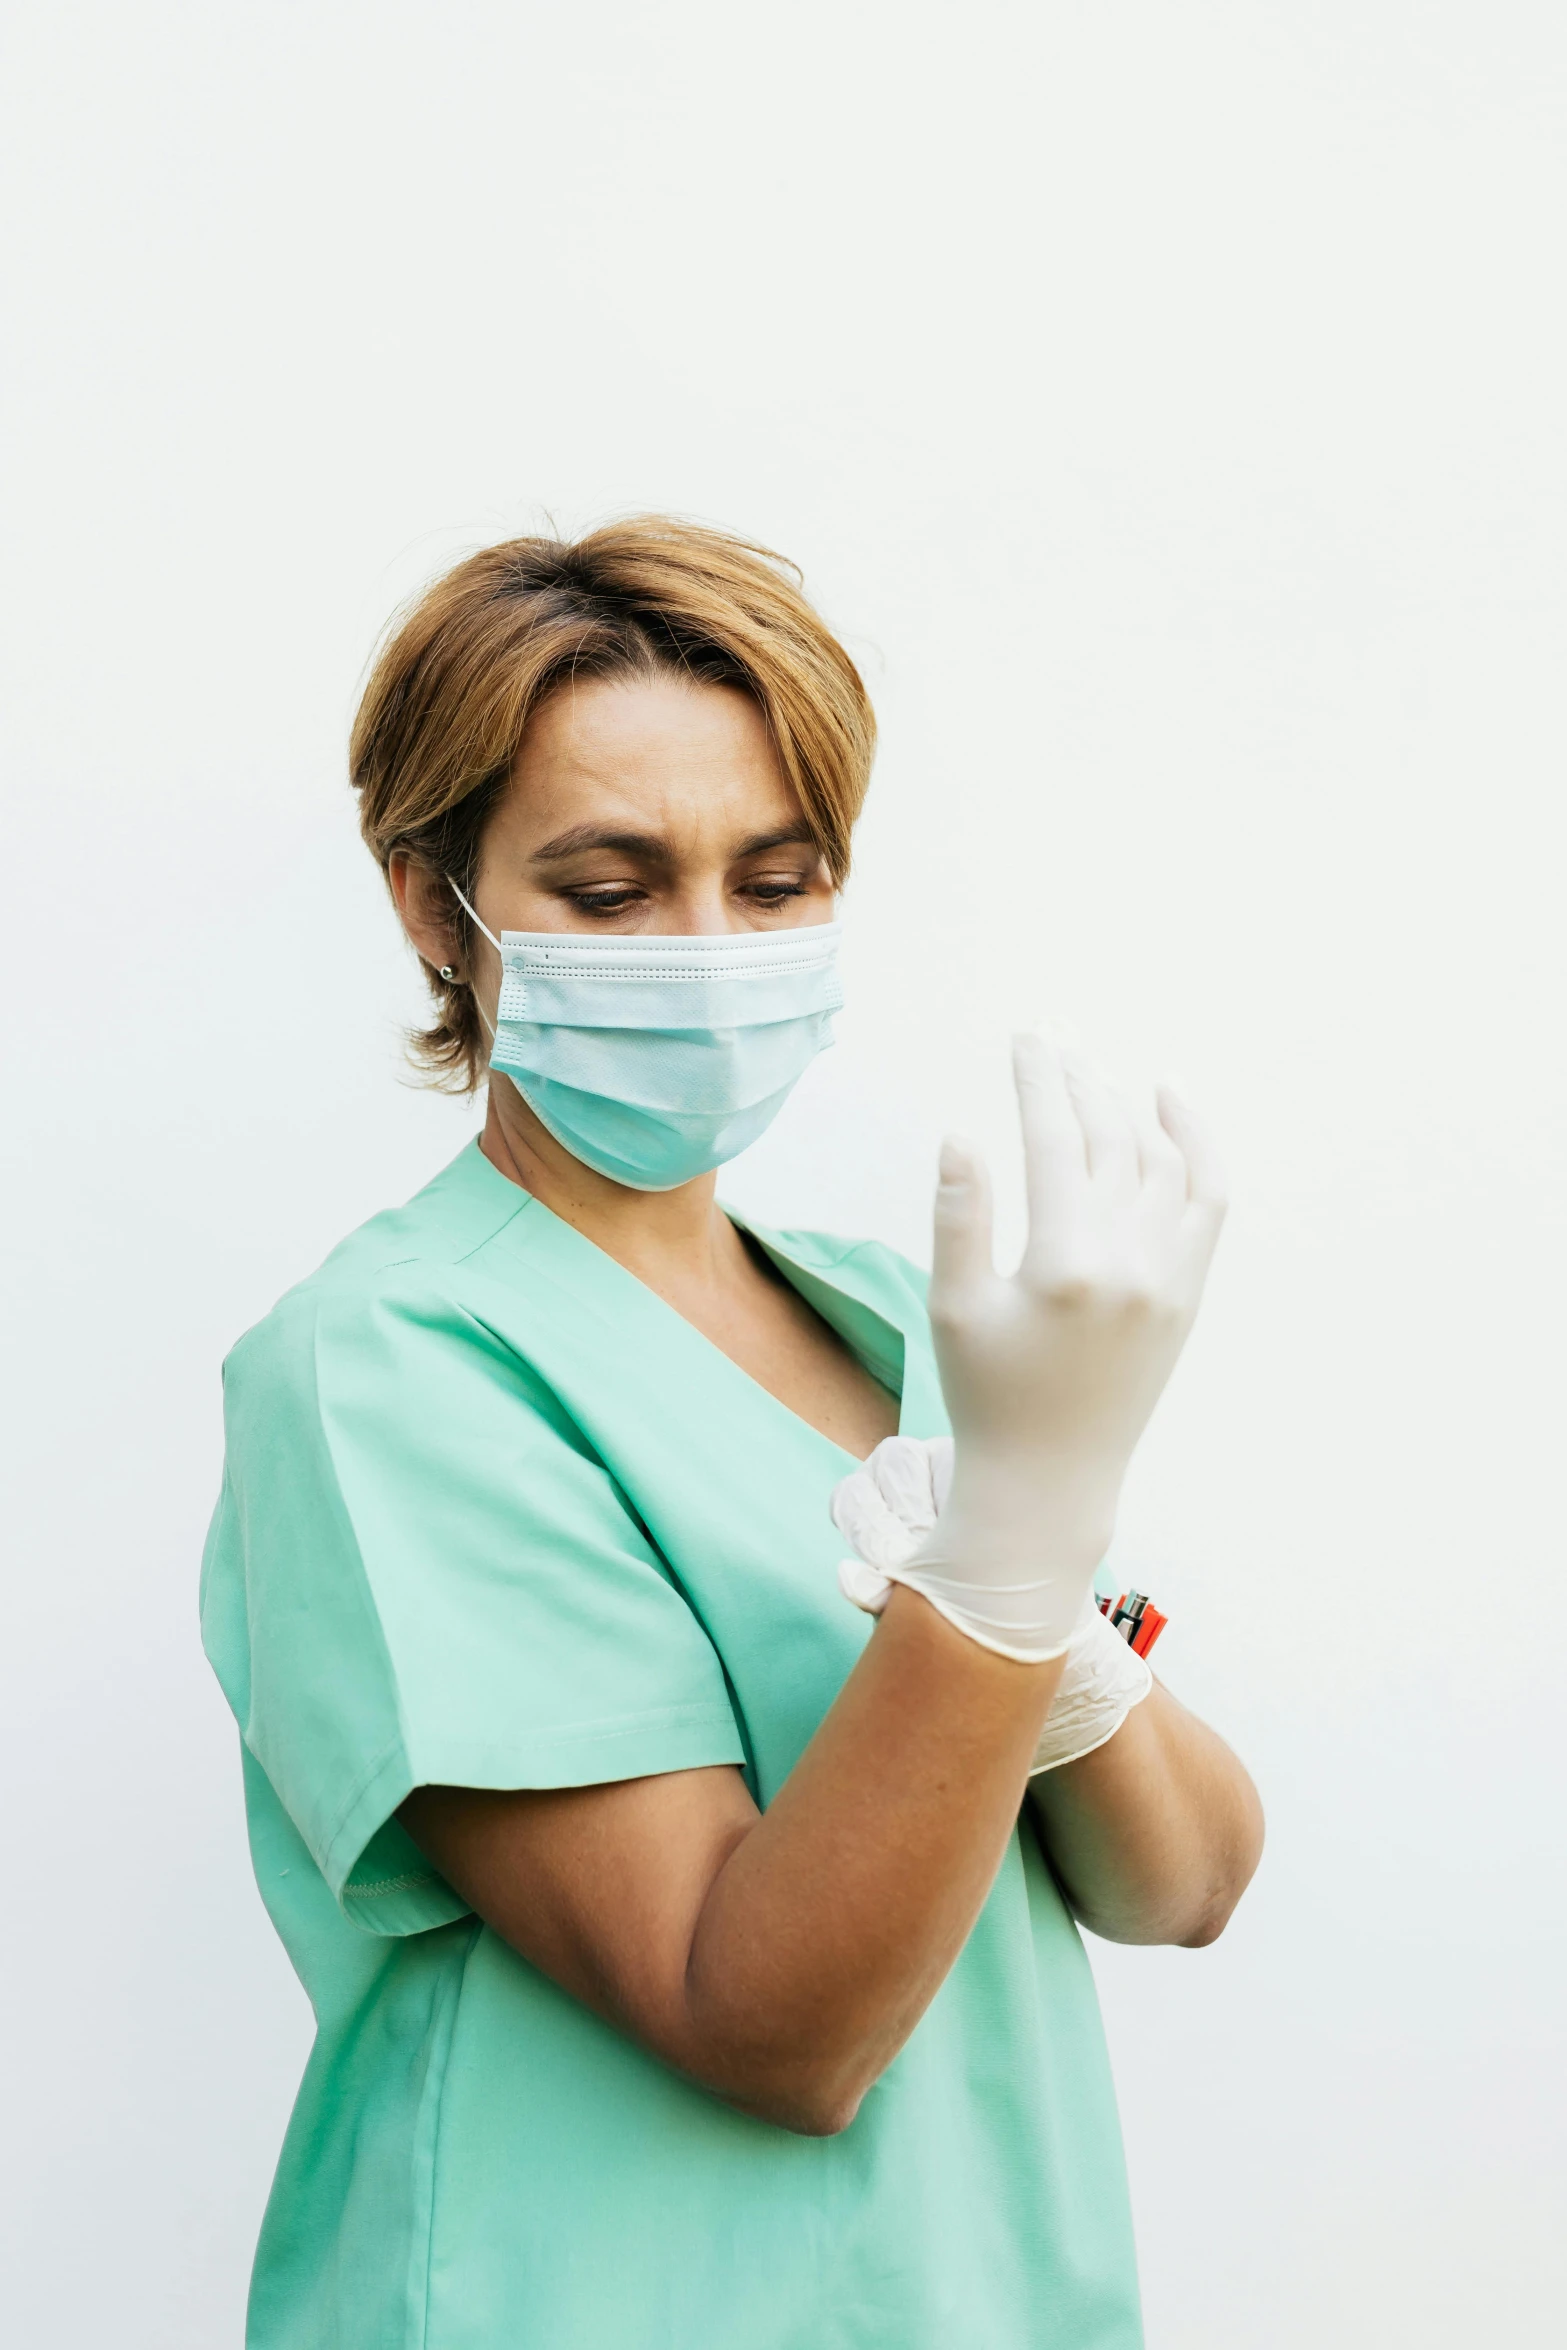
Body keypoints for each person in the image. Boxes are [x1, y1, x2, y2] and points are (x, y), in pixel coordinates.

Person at [200, 517, 1264, 2350]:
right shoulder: (387, 1368)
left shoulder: (901, 1323)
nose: (704, 952)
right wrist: (1006, 1548)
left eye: (770, 884)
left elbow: (1184, 1878)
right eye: (610, 892)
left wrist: (1058, 1585)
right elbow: (766, 2024)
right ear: (428, 903)